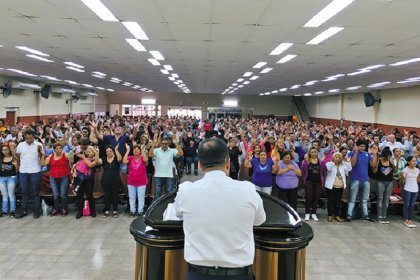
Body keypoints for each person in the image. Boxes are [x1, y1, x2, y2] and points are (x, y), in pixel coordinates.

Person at [173, 138, 265, 280]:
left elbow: (178, 213)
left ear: (200, 165)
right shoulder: (247, 189)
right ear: (228, 162)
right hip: (238, 274)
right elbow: (259, 221)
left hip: (198, 275)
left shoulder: (186, 190)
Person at [346, 140, 378, 222]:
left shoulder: (367, 154)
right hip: (355, 179)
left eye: (364, 146)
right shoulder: (351, 153)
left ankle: (365, 215)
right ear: (357, 146)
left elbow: (373, 165)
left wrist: (374, 154)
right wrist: (355, 153)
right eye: (360, 146)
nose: (362, 148)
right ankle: (349, 215)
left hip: (365, 180)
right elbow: (352, 165)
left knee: (364, 199)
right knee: (352, 198)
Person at [15, 130, 43, 219]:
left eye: (31, 138)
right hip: (23, 171)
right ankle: (24, 211)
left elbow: (42, 158)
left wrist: (39, 151)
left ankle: (36, 211)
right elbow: (18, 158)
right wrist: (18, 168)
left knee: (35, 192)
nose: (29, 140)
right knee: (24, 192)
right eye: (27, 138)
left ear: (34, 137)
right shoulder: (20, 145)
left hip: (35, 171)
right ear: (24, 137)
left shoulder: (39, 145)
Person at [149, 134, 183, 201]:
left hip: (169, 176)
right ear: (161, 144)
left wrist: (176, 143)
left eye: (166, 144)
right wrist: (153, 144)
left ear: (168, 144)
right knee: (157, 195)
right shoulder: (156, 150)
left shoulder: (172, 150)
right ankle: (156, 210)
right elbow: (150, 154)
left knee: (169, 195)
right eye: (163, 144)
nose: (164, 145)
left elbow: (181, 153)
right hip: (158, 176)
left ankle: (169, 209)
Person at [41, 143, 72, 216]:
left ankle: (64, 209)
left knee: (63, 195)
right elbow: (43, 164)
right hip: (53, 178)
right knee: (56, 195)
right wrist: (42, 155)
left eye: (60, 148)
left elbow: (71, 161)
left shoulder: (66, 155)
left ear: (62, 149)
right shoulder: (51, 156)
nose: (58, 150)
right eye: (56, 148)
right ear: (54, 150)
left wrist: (71, 155)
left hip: (64, 177)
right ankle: (56, 209)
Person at [95, 145, 124, 218]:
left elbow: (120, 159)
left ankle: (115, 210)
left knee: (115, 195)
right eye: (107, 151)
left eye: (110, 151)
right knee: (107, 196)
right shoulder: (104, 159)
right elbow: (97, 161)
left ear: (113, 151)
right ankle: (107, 210)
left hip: (115, 180)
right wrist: (97, 152)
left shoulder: (116, 158)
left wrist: (116, 150)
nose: (108, 152)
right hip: (105, 180)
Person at [324, 152, 352, 222]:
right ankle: (330, 215)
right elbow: (328, 168)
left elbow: (349, 169)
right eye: (336, 157)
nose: (338, 159)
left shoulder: (343, 165)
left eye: (339, 157)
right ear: (333, 157)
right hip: (331, 186)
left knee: (338, 201)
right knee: (330, 201)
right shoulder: (330, 164)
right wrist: (333, 162)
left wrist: (347, 162)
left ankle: (337, 215)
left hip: (340, 186)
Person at [300, 147, 326, 221]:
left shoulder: (321, 162)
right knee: (309, 197)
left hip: (318, 182)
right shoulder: (306, 161)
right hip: (309, 181)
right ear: (309, 153)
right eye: (312, 152)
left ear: (317, 153)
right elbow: (302, 170)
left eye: (315, 152)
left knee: (316, 198)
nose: (313, 153)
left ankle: (314, 213)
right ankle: (307, 213)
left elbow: (323, 171)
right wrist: (305, 162)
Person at [123, 144, 148, 217]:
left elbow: (146, 160)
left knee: (141, 197)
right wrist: (127, 150)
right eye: (134, 149)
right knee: (132, 197)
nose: (135, 150)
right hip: (131, 181)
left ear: (140, 151)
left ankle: (140, 211)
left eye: (137, 149)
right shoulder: (130, 158)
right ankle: (132, 211)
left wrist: (143, 149)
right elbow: (124, 161)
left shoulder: (143, 157)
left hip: (142, 181)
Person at [373, 147, 396, 224]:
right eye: (387, 156)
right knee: (380, 198)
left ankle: (384, 215)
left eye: (389, 156)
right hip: (380, 181)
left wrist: (396, 161)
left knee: (386, 199)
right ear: (384, 155)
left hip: (389, 181)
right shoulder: (379, 160)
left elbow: (395, 170)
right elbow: (374, 171)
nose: (388, 157)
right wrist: (376, 161)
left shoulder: (391, 160)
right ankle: (379, 216)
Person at [73, 146, 98, 219]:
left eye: (90, 152)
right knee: (79, 196)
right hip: (80, 180)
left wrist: (84, 158)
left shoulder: (94, 160)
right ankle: (79, 212)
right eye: (87, 151)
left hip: (89, 180)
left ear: (93, 153)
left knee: (90, 195)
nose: (87, 153)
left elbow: (89, 165)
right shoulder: (80, 159)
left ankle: (93, 211)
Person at [401, 156, 419, 228]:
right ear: (408, 162)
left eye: (415, 161)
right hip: (407, 189)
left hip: (415, 189)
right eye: (413, 161)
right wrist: (403, 177)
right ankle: (406, 219)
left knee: (412, 205)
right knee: (407, 204)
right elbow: (402, 182)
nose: (415, 162)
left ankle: (410, 219)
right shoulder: (405, 170)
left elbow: (418, 180)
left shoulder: (417, 170)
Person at [0, 143, 18, 217]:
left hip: (11, 178)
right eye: (3, 150)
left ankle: (12, 211)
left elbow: (17, 170)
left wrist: (15, 165)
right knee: (4, 195)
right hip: (1, 178)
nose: (5, 151)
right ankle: (4, 211)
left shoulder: (13, 158)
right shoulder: (1, 159)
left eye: (6, 149)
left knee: (11, 195)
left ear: (9, 150)